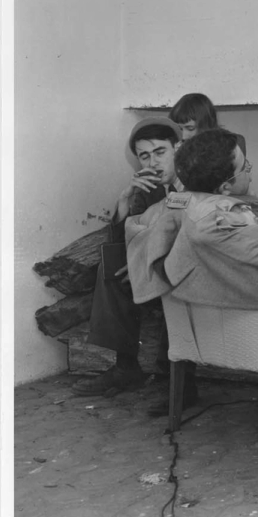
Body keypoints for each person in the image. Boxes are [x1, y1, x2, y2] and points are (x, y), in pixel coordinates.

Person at [125, 128, 258, 415]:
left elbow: (137, 233)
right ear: (225, 187)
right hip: (257, 307)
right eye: (245, 168)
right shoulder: (238, 216)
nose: (249, 174)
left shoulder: (171, 206)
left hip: (198, 311)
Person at [72, 117, 183, 397]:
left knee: (140, 271)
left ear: (177, 149)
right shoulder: (150, 189)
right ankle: (126, 367)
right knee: (112, 267)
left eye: (160, 152)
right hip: (156, 265)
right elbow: (127, 238)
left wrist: (145, 262)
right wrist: (125, 201)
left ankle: (172, 377)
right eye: (145, 156)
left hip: (188, 266)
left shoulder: (197, 180)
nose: (153, 163)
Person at [169, 92, 246, 155]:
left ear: (206, 126)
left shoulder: (231, 145)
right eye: (179, 129)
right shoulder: (170, 147)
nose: (183, 136)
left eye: (190, 129)